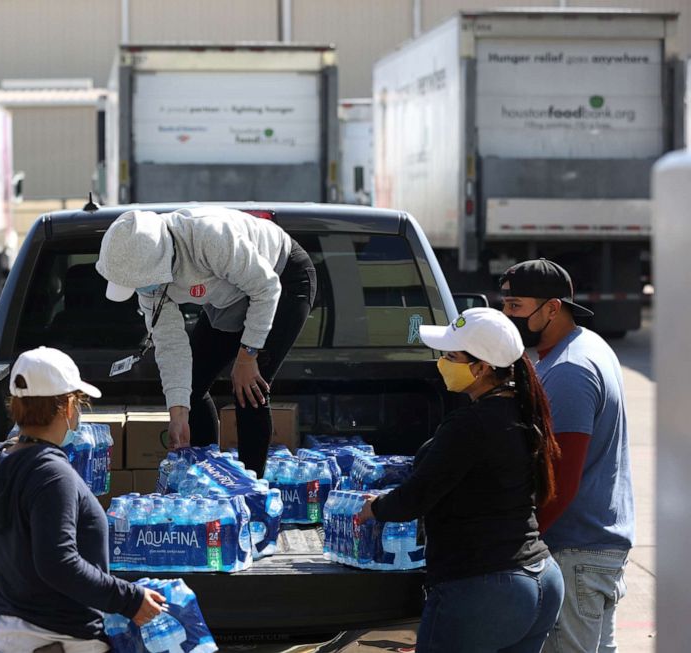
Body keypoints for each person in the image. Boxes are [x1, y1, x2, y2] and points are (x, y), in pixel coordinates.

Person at [357, 308, 565, 652]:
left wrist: (376, 508)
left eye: (451, 356)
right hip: (540, 579)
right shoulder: (524, 412)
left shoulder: (470, 425)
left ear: (482, 368)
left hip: (485, 588)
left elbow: (417, 495)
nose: (442, 362)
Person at [0, 346, 166, 653]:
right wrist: (130, 600)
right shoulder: (50, 473)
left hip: (13, 634)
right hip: (58, 640)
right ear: (68, 406)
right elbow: (57, 562)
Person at [95, 206, 316, 476]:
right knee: (191, 387)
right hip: (228, 298)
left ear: (160, 263)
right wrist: (178, 415)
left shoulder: (207, 235)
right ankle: (205, 475)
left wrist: (248, 355)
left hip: (280, 277)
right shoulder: (148, 283)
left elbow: (266, 288)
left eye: (140, 284)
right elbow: (170, 345)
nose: (140, 291)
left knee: (248, 388)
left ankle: (251, 490)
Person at [500, 259, 635, 653]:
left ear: (553, 308)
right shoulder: (585, 346)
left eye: (516, 306)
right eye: (505, 304)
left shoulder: (570, 370)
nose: (507, 316)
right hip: (597, 544)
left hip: (575, 551)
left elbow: (561, 479)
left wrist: (519, 543)